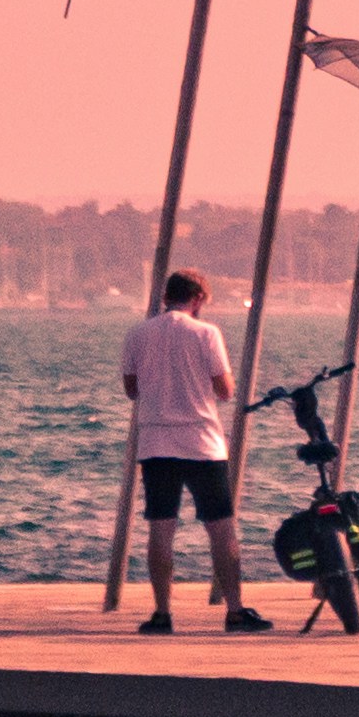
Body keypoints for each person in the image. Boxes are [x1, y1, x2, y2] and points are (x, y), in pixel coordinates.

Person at [119, 270, 269, 633]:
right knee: (221, 529)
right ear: (198, 298)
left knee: (161, 528)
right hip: (202, 443)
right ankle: (234, 611)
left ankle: (162, 613)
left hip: (156, 443)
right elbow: (225, 390)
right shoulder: (206, 333)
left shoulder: (138, 334)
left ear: (166, 295)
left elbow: (131, 388)